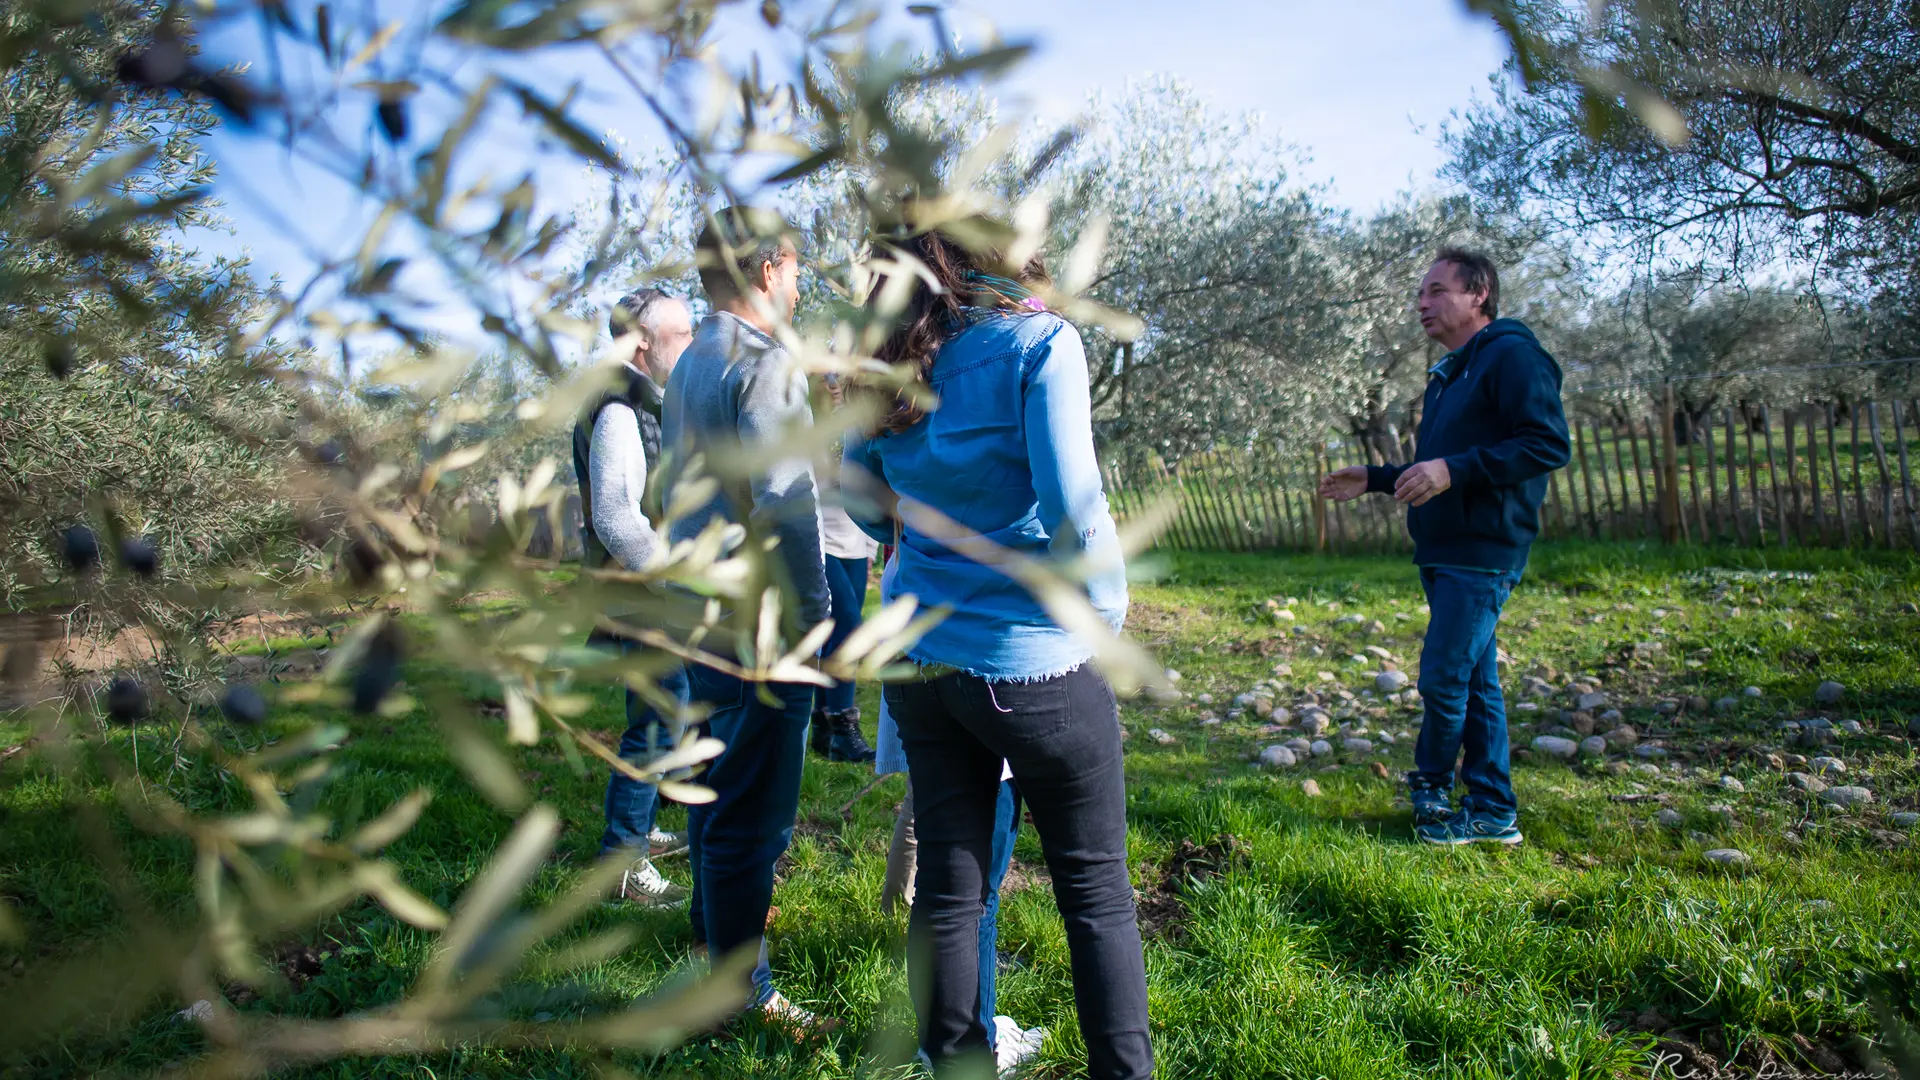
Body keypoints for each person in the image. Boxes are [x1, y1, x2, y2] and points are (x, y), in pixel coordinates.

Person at [842, 231, 1151, 1079]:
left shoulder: (889, 370)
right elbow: (1072, 506)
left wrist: (908, 532)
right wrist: (1106, 618)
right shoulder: (1040, 342)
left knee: (949, 884)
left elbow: (858, 499)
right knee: (1095, 895)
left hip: (924, 664)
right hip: (1034, 663)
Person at [1318, 247, 1571, 847]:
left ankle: (1436, 786)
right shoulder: (1451, 373)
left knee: (1444, 678)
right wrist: (1378, 478)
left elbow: (1546, 444)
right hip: (1444, 549)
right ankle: (1491, 811)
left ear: (1478, 293)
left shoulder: (1513, 355)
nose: (1422, 304)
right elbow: (1439, 465)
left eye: (1436, 291)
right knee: (1475, 683)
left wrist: (1453, 471)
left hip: (1482, 551)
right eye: (1420, 295)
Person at [660, 205, 832, 1026]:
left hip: (699, 611)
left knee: (713, 788)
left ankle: (710, 944)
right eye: (796, 268)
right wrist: (818, 615)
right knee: (754, 810)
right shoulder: (764, 364)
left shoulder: (691, 360)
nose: (799, 284)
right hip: (761, 623)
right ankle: (739, 992)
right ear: (769, 270)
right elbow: (786, 506)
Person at [871, 555, 1047, 1075]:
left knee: (947, 891)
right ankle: (978, 1040)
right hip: (988, 676)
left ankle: (946, 1036)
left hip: (923, 673)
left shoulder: (914, 486)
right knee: (976, 894)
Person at [570, 288, 697, 906]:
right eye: (684, 333)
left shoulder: (636, 395)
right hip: (643, 594)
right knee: (657, 720)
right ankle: (624, 861)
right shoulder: (621, 403)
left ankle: (639, 829)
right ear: (643, 340)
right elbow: (616, 517)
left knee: (662, 713)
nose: (693, 344)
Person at [812, 374, 880, 763]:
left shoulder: (859, 427)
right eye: (828, 376)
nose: (834, 383)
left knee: (835, 633)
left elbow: (870, 486)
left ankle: (822, 725)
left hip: (855, 543)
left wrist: (870, 545)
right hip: (821, 543)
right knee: (848, 627)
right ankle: (843, 727)